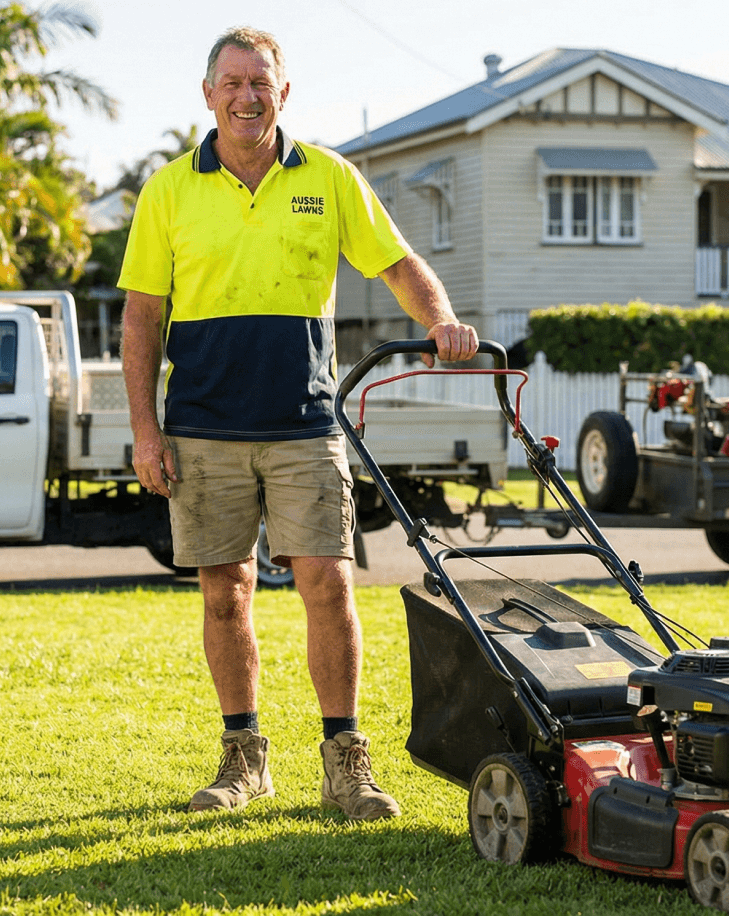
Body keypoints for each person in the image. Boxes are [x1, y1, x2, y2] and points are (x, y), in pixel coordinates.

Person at [118, 25, 478, 821]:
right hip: (203, 427)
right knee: (225, 594)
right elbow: (142, 319)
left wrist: (442, 315)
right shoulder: (169, 190)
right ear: (208, 94)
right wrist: (146, 432)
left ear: (285, 92)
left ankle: (346, 764)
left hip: (303, 424)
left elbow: (395, 262)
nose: (248, 96)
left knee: (327, 583)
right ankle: (242, 759)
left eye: (261, 83)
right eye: (233, 83)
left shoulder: (330, 177)